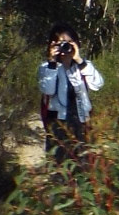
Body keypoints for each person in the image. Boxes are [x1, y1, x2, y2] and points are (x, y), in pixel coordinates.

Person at [38, 26, 104, 160]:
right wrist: (52, 62)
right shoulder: (46, 68)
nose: (64, 47)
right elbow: (47, 90)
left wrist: (79, 59)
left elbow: (97, 84)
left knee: (83, 163)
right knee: (58, 165)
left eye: (68, 43)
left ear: (76, 44)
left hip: (82, 121)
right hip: (58, 122)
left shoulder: (84, 65)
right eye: (59, 43)